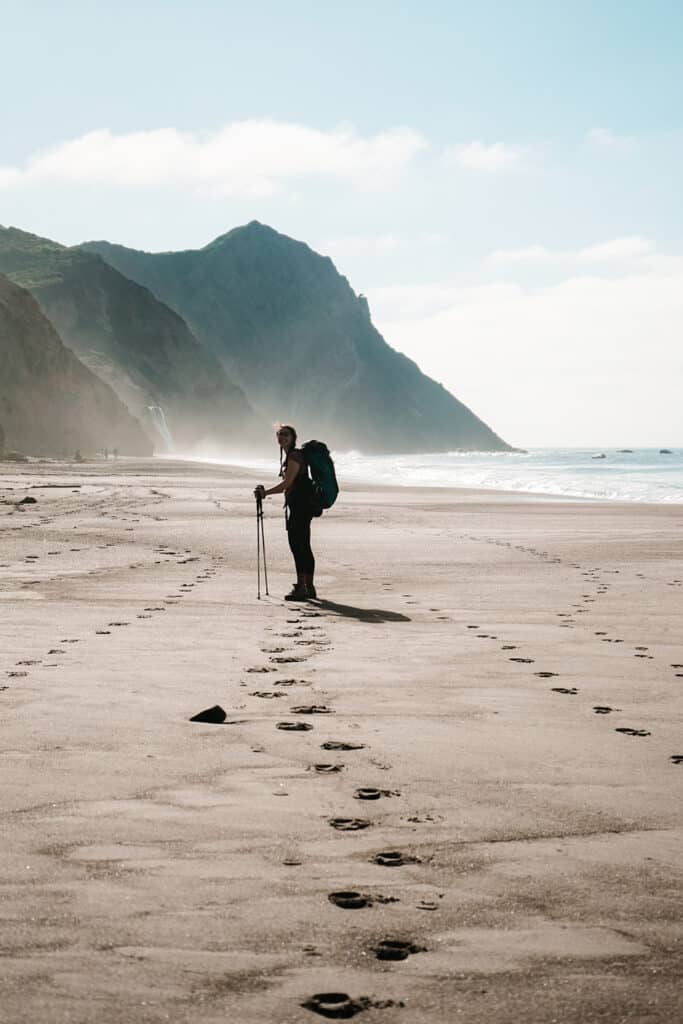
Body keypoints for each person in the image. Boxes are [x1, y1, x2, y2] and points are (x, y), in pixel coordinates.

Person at [254, 425, 317, 601]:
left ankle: (302, 587)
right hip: (301, 505)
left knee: (298, 545)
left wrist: (265, 493)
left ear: (293, 437)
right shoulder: (292, 455)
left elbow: (287, 483)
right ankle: (308, 587)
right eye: (280, 434)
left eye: (286, 434)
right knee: (303, 545)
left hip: (300, 506)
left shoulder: (295, 456)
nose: (282, 437)